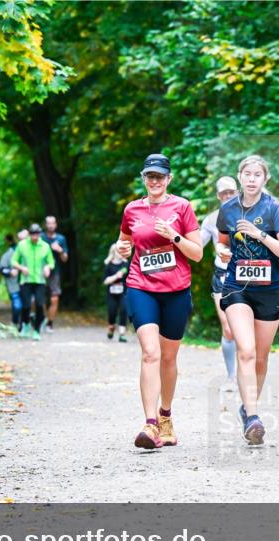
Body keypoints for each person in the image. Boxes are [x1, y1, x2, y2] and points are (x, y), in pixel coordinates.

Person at [117, 153, 203, 449]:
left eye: (160, 176)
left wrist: (175, 236)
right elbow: (124, 243)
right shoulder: (132, 209)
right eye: (150, 176)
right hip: (141, 286)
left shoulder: (182, 207)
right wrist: (120, 249)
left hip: (176, 290)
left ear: (169, 179)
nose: (155, 181)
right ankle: (150, 423)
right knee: (150, 353)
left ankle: (166, 416)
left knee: (168, 357)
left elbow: (198, 253)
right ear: (144, 178)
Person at [216, 155, 279, 445]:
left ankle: (248, 408)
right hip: (238, 286)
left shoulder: (275, 209)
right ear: (240, 177)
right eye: (247, 174)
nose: (251, 179)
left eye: (257, 175)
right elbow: (222, 243)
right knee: (246, 351)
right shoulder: (228, 209)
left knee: (260, 357)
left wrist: (260, 234)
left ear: (265, 179)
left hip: (269, 289)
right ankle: (253, 417)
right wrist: (222, 253)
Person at [199, 176, 239, 388]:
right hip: (222, 276)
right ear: (218, 196)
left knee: (246, 328)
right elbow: (196, 245)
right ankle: (232, 376)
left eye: (231, 192)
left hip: (246, 277)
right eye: (223, 193)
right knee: (228, 327)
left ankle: (247, 373)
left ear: (237, 191)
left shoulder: (248, 214)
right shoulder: (211, 220)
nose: (227, 196)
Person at [12, 223, 55, 341]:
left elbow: (51, 262)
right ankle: (25, 325)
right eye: (32, 234)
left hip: (40, 280)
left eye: (36, 234)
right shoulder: (22, 245)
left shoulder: (45, 246)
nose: (34, 237)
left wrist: (47, 268)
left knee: (40, 305)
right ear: (29, 234)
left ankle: (36, 330)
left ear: (40, 234)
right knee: (26, 306)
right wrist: (22, 268)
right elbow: (14, 261)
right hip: (26, 280)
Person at [42, 215, 69, 332]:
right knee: (39, 299)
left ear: (56, 225)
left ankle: (49, 323)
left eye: (53, 223)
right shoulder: (40, 238)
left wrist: (60, 250)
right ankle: (41, 318)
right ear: (45, 225)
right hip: (40, 271)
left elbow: (65, 259)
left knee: (54, 299)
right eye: (48, 223)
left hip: (55, 273)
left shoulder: (61, 239)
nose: (51, 225)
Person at [0, 231, 27, 332]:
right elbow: (1, 268)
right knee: (17, 305)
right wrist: (10, 272)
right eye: (21, 239)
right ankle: (15, 322)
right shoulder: (10, 252)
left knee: (26, 306)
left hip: (27, 284)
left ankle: (23, 326)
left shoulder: (32, 251)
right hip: (13, 284)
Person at [103, 240, 129, 342]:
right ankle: (111, 328)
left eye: (121, 251)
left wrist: (122, 273)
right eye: (117, 251)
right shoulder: (108, 265)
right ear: (113, 252)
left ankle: (122, 334)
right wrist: (115, 277)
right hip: (111, 293)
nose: (119, 253)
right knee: (112, 312)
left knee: (123, 310)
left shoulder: (125, 263)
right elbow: (106, 281)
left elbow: (126, 273)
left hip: (123, 291)